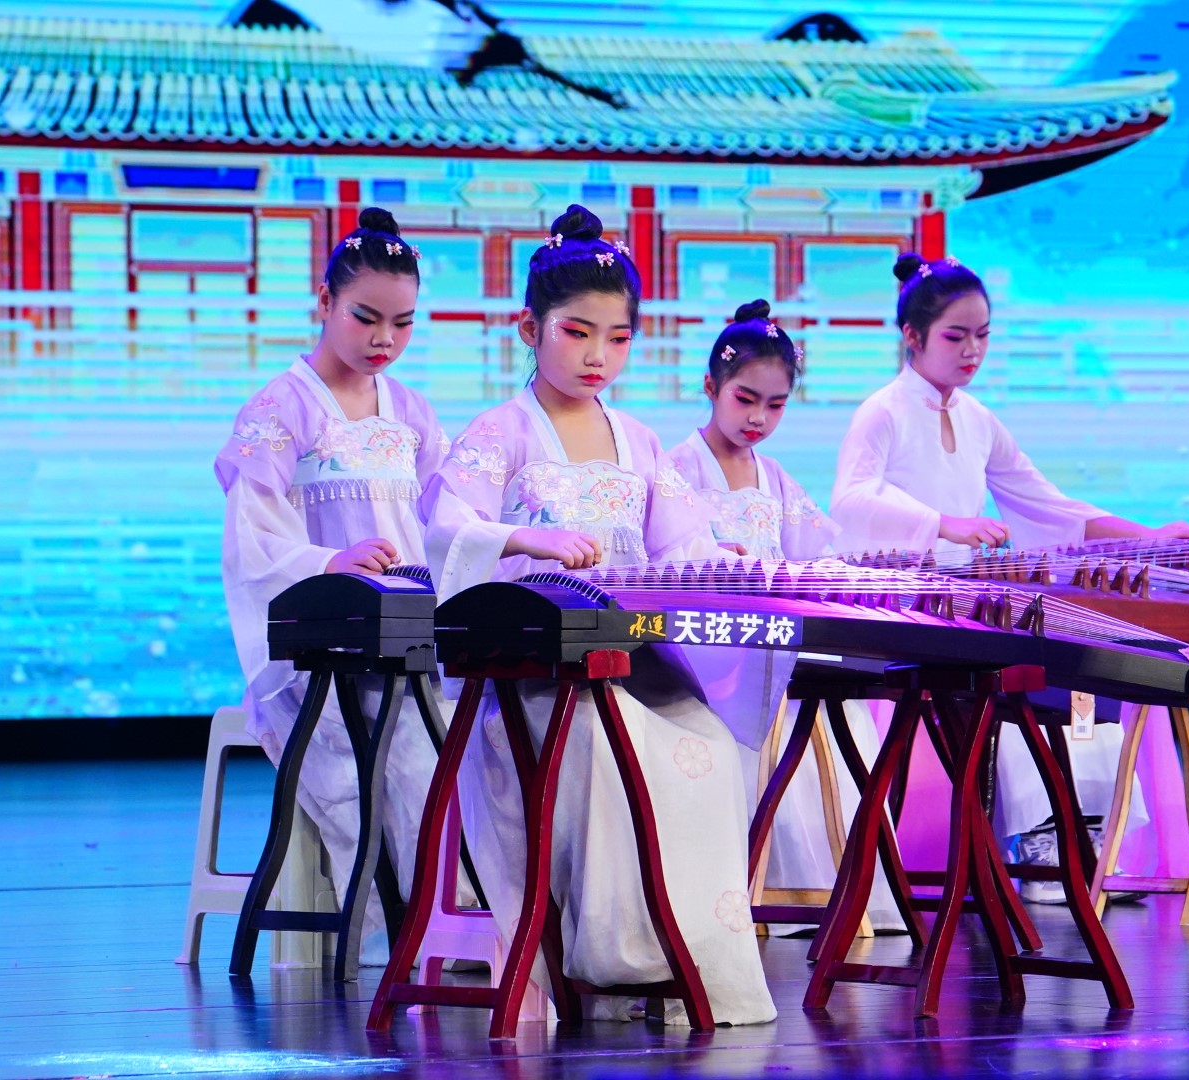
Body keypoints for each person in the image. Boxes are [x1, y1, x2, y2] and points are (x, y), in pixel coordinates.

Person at [419, 205, 776, 1025]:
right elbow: (445, 528)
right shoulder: (499, 432)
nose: (596, 356)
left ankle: (676, 950)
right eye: (577, 333)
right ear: (529, 329)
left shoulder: (638, 440)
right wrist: (525, 538)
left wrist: (728, 559)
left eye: (617, 339)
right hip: (533, 681)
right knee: (612, 745)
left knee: (714, 739)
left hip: (627, 664)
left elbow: (681, 542)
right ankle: (606, 952)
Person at [830, 253, 1189, 901]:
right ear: (913, 336)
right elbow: (850, 499)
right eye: (955, 336)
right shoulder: (882, 412)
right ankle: (1039, 833)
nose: (972, 350)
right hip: (905, 606)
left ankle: (1084, 826)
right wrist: (943, 524)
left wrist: (1146, 536)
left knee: (1082, 670)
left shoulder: (977, 419)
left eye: (982, 335)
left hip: (965, 602)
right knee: (1015, 668)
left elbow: (1045, 504)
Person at [216, 206, 448, 958]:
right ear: (324, 302)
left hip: (407, 642)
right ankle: (411, 932)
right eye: (366, 318)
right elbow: (252, 539)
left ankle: (448, 929)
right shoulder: (280, 408)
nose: (385, 340)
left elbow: (441, 522)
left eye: (403, 324)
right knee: (371, 770)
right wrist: (327, 562)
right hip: (318, 652)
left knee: (446, 764)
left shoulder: (411, 411)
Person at [660, 299, 902, 932]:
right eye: (745, 399)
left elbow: (812, 560)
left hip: (772, 644)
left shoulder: (774, 478)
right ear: (710, 386)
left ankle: (831, 891)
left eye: (775, 405)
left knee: (835, 709)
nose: (758, 418)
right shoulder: (675, 469)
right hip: (705, 652)